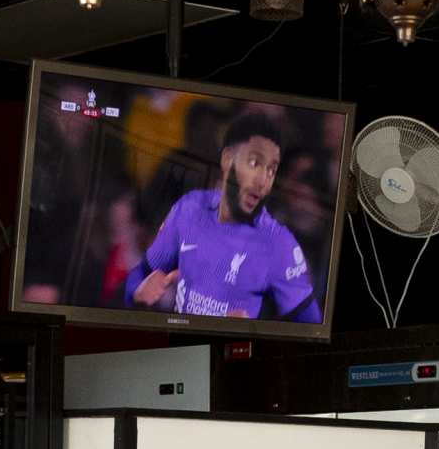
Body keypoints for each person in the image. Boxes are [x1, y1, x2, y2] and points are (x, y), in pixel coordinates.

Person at [130, 105, 321, 325]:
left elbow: (311, 328)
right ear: (227, 159)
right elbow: (143, 275)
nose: (262, 180)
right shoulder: (188, 202)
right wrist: (138, 293)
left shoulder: (278, 242)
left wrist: (255, 328)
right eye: (254, 163)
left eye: (271, 170)